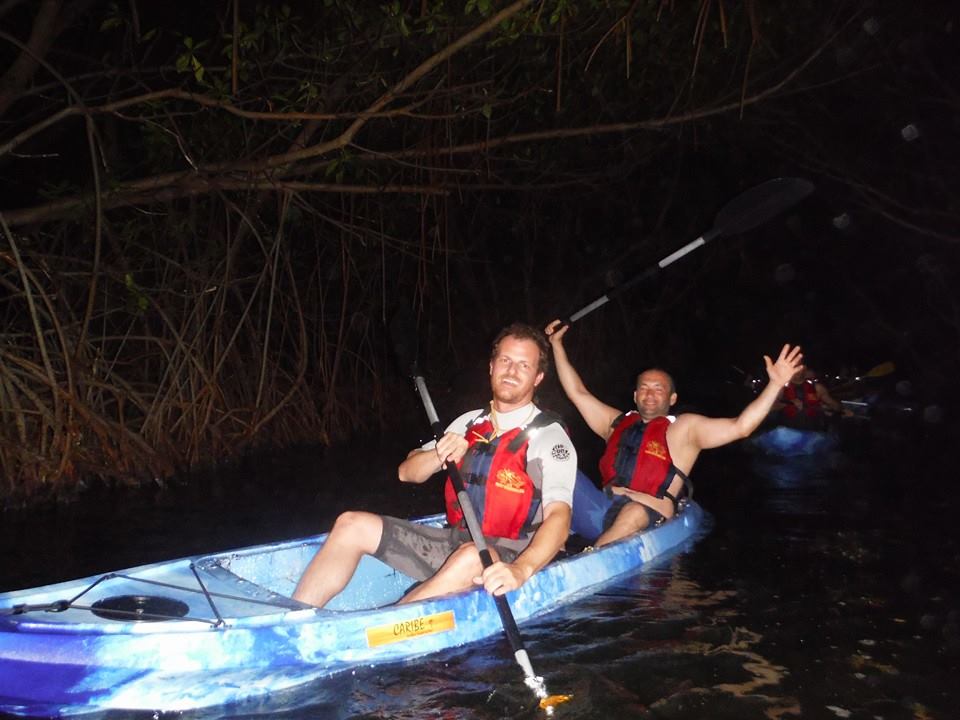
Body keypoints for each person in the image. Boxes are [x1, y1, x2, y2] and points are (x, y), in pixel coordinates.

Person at [292, 323, 577, 608]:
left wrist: (521, 570)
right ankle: (296, 617)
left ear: (538, 377)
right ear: (491, 367)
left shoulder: (549, 437)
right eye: (505, 360)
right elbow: (406, 473)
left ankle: (392, 622)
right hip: (455, 542)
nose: (511, 371)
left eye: (524, 365)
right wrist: (439, 455)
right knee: (351, 524)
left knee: (471, 557)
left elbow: (559, 518)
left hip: (512, 555)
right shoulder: (469, 423)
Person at [544, 320, 803, 547]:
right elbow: (577, 392)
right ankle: (537, 541)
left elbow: (741, 426)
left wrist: (775, 384)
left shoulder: (686, 429)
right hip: (601, 510)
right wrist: (556, 344)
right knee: (552, 469)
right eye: (644, 388)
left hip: (646, 515)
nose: (650, 393)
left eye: (659, 389)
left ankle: (592, 556)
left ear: (672, 398)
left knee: (634, 512)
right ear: (635, 395)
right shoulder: (615, 422)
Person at [775, 366, 845, 429]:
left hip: (812, 430)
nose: (797, 371)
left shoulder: (817, 387)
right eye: (794, 368)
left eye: (799, 368)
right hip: (788, 430)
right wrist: (788, 403)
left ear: (804, 369)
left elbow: (836, 406)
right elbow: (771, 408)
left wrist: (829, 407)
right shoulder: (781, 388)